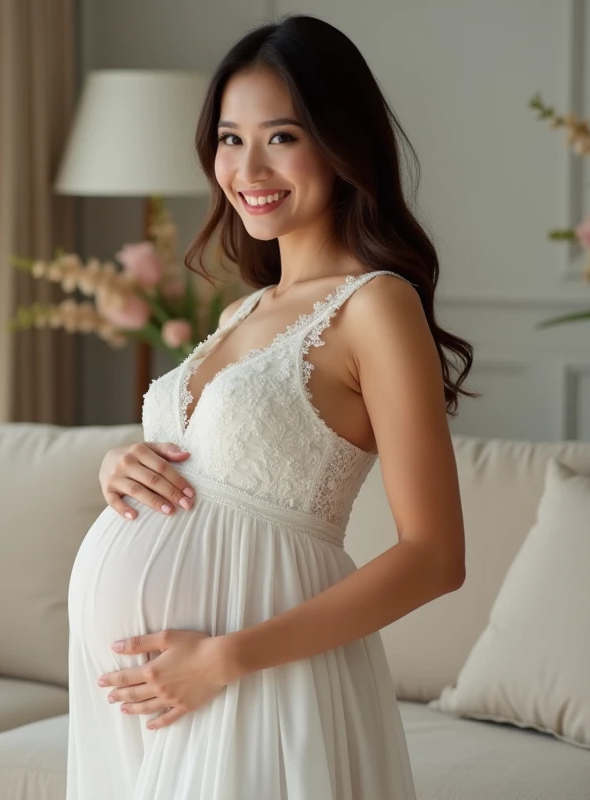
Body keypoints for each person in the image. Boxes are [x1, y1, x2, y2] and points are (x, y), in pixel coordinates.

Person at [65, 13, 473, 800]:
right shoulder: (241, 311)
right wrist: (123, 467)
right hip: (150, 699)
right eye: (228, 138)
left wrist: (224, 659)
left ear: (340, 141)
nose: (247, 166)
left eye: (281, 136)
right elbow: (208, 471)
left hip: (255, 681)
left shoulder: (375, 307)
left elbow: (435, 556)